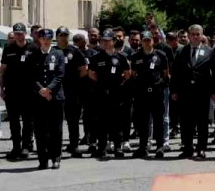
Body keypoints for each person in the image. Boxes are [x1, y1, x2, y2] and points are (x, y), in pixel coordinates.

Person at [171, 24, 215, 160]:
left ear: (202, 35)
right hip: (185, 93)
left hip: (202, 93)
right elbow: (176, 73)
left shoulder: (209, 51)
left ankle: (201, 148)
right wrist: (174, 90)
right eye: (193, 34)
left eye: (198, 34)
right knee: (186, 122)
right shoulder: (181, 52)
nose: (196, 37)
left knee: (202, 122)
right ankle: (188, 148)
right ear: (189, 36)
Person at [88, 30, 132, 159]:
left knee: (116, 122)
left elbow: (127, 73)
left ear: (114, 41)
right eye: (104, 41)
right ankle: (101, 148)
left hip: (116, 94)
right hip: (101, 93)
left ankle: (118, 147)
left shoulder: (121, 57)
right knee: (101, 122)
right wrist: (103, 84)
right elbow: (91, 73)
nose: (106, 43)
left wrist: (118, 82)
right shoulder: (96, 57)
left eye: (108, 41)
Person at [129, 31, 172, 159]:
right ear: (141, 41)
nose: (147, 42)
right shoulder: (136, 56)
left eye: (149, 40)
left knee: (159, 120)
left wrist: (161, 86)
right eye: (145, 40)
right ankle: (143, 147)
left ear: (153, 41)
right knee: (143, 121)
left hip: (157, 93)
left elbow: (166, 74)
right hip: (142, 94)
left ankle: (159, 147)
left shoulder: (160, 55)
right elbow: (133, 74)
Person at [0, 23, 37, 161]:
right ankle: (16, 147)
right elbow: (3, 69)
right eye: (16, 33)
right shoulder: (8, 48)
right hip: (12, 90)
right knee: (14, 121)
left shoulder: (33, 48)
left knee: (28, 120)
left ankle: (26, 146)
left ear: (25, 34)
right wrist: (2, 87)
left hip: (28, 91)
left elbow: (38, 70)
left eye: (21, 33)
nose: (18, 36)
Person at [30, 28, 67, 169]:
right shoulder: (34, 55)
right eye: (43, 38)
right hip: (39, 97)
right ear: (39, 39)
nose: (46, 40)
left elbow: (60, 75)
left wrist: (49, 89)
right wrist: (41, 90)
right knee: (40, 130)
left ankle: (56, 157)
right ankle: (43, 159)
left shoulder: (58, 54)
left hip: (55, 97)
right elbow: (31, 76)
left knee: (55, 129)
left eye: (48, 38)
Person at [57, 29, 90, 158]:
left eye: (65, 35)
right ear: (57, 37)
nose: (64, 38)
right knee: (57, 120)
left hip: (72, 91)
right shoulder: (54, 51)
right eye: (61, 35)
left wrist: (74, 80)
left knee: (73, 120)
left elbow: (84, 69)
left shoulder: (74, 51)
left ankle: (74, 145)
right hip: (57, 90)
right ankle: (56, 146)